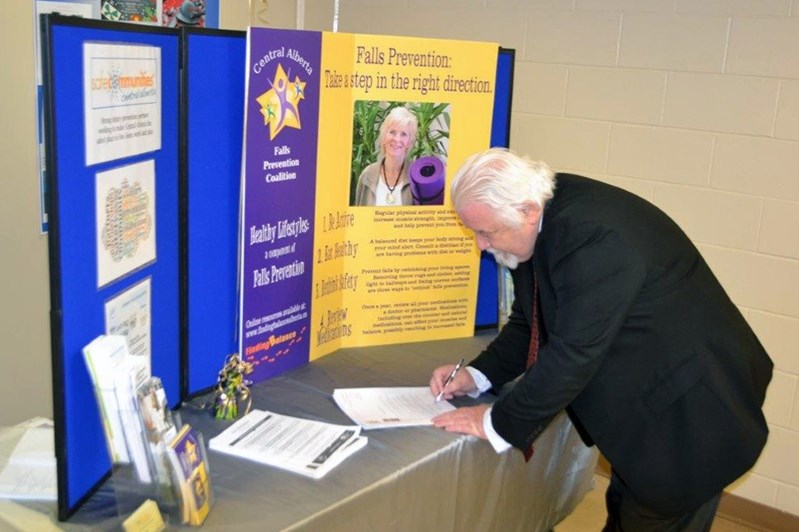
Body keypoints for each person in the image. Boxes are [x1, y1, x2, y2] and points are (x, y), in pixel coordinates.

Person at [429, 148, 773, 531]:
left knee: (653, 518)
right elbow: (533, 319)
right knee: (628, 512)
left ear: (526, 211)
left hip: (690, 416)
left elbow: (572, 355)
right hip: (647, 414)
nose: (479, 244)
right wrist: (477, 375)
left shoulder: (591, 238)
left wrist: (495, 422)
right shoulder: (540, 216)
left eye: (484, 232)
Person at [354, 106, 417, 206]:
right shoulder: (367, 175)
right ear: (383, 137)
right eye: (392, 132)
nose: (397, 139)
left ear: (409, 142)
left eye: (403, 134)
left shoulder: (416, 177)